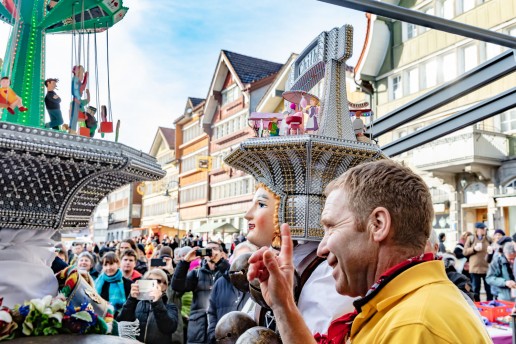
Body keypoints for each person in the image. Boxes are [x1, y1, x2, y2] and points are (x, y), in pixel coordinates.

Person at [247, 160, 491, 343]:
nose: (321, 249)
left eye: (331, 227)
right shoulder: (403, 307)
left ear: (378, 225)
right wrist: (283, 305)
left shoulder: (412, 325)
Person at [171, 241, 230, 344]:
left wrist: (220, 262)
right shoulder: (196, 273)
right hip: (198, 331)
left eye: (214, 249)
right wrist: (185, 262)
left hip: (220, 328)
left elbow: (235, 280)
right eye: (208, 250)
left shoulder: (225, 274)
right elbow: (177, 286)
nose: (211, 252)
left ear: (222, 253)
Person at [207, 242, 257, 343]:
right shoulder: (220, 283)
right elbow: (211, 312)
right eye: (238, 260)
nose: (242, 265)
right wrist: (214, 335)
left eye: (246, 260)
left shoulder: (259, 286)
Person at [117, 269, 179, 344]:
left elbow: (168, 328)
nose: (153, 284)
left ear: (165, 286)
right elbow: (122, 322)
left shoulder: (171, 307)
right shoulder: (136, 303)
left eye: (158, 281)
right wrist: (132, 299)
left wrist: (157, 302)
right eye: (149, 280)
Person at [95, 252, 133, 316]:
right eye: (105, 265)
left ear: (118, 264)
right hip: (100, 318)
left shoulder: (128, 284)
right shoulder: (97, 282)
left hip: (121, 319)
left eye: (111, 264)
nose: (108, 267)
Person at [464, 222, 493, 301]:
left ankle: (489, 305)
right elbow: (465, 252)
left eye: (485, 229)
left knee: (489, 289)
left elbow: (493, 250)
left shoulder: (488, 239)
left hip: (486, 268)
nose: (484, 230)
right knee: (476, 289)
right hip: (474, 268)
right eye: (483, 229)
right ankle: (477, 306)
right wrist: (474, 249)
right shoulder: (471, 238)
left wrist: (491, 251)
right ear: (477, 230)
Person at [486, 236, 516, 301]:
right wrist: (505, 282)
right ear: (505, 254)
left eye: (514, 258)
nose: (512, 261)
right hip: (504, 298)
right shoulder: (497, 260)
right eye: (510, 259)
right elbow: (489, 278)